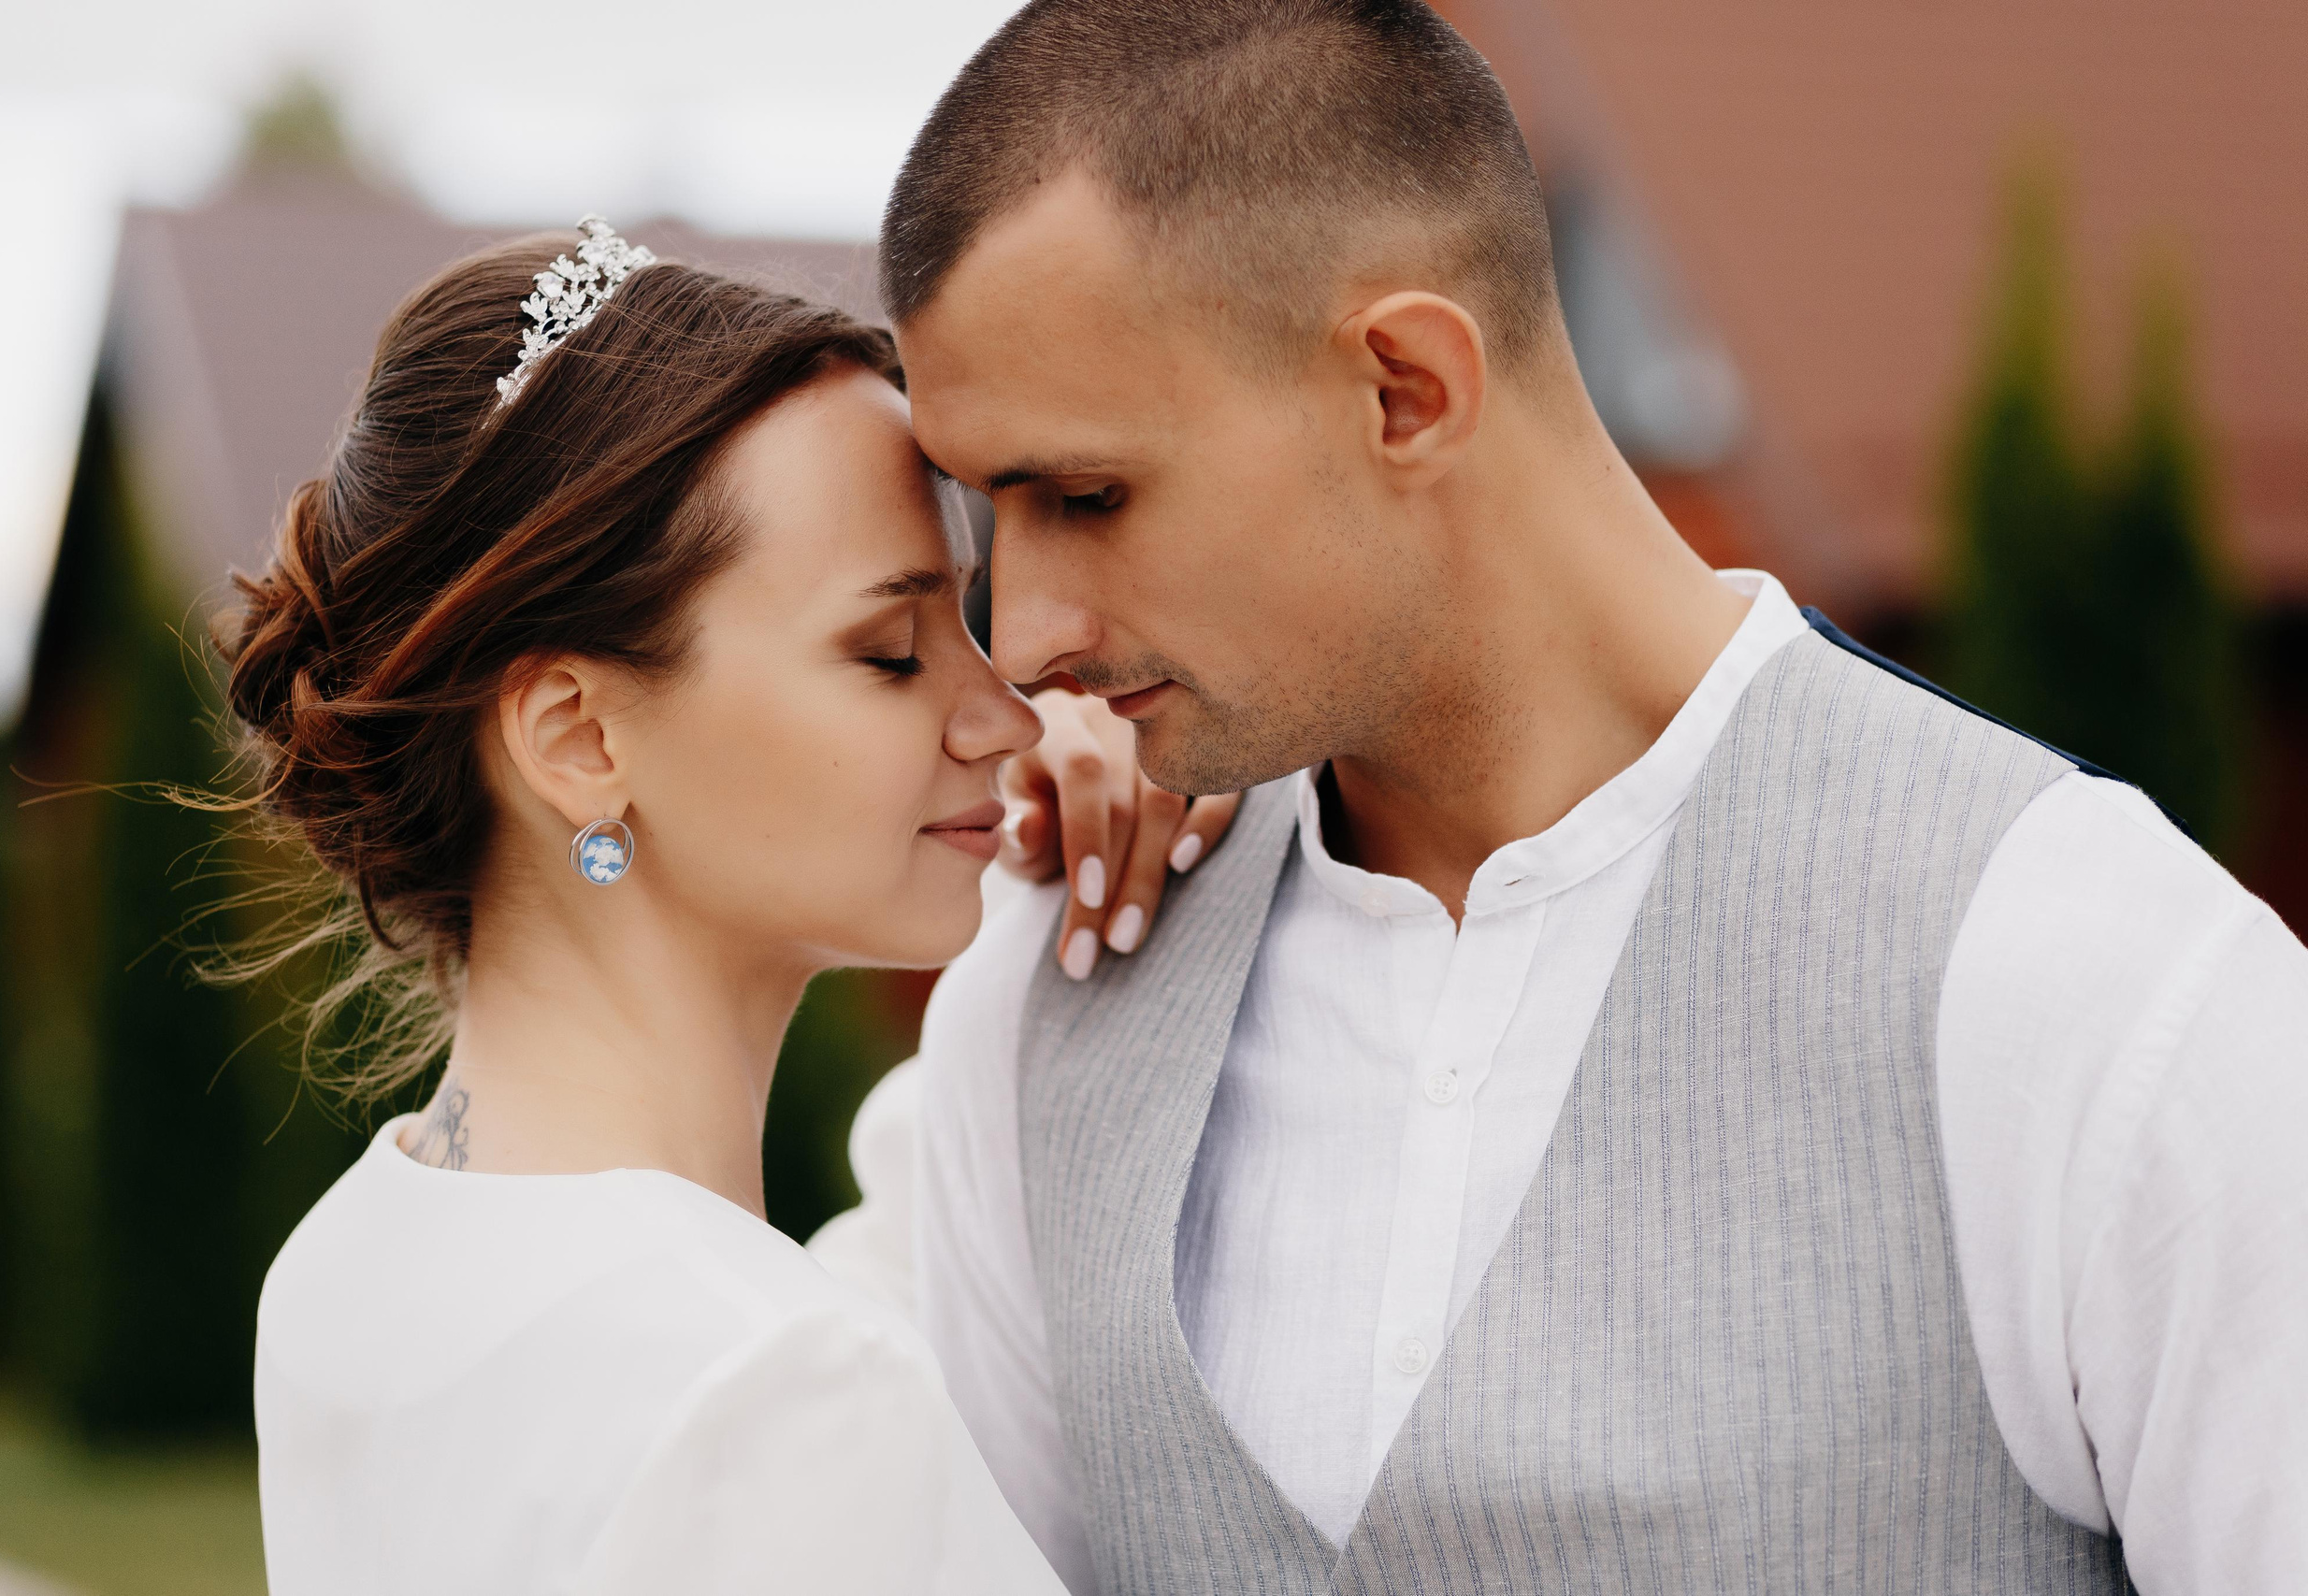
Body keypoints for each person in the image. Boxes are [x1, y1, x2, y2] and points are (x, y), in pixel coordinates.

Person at [845, 2, 2308, 1592]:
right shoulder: (1048, 990)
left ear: (1405, 389)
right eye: (993, 514)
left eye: (1086, 495)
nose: (1027, 634)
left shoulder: (2093, 979)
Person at [233, 220, 1132, 1594]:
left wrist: (1044, 938)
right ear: (581, 737)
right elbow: (790, 1377)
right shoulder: (779, 1394)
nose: (1008, 713)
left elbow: (844, 1299)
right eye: (891, 651)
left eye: (966, 619)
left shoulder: (346, 1268)